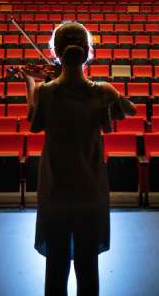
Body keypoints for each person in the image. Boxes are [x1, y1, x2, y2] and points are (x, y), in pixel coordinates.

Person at [19, 21, 136, 296]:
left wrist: (31, 81)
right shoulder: (101, 91)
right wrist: (115, 94)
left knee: (55, 269)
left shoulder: (45, 92)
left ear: (56, 52)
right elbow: (130, 110)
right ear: (87, 52)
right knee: (88, 267)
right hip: (90, 187)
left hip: (55, 188)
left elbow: (35, 123)